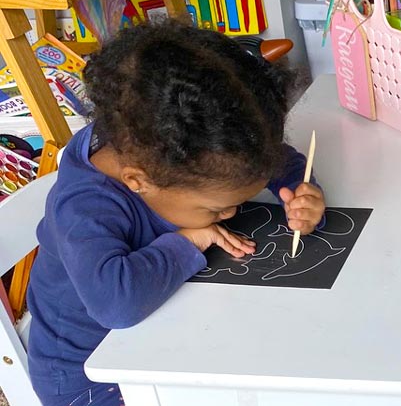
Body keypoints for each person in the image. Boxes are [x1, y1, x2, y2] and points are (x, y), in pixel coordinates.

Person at [26, 20, 325, 406]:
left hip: (166, 334)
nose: (231, 212)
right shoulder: (84, 207)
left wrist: (302, 189)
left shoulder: (173, 146)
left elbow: (274, 160)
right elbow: (115, 303)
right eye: (217, 208)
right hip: (89, 379)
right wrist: (189, 240)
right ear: (139, 182)